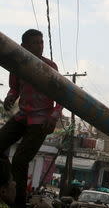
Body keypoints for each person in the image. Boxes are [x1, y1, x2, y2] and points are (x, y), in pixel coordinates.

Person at [0, 29, 61, 208]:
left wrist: (54, 116)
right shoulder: (17, 64)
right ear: (23, 46)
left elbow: (62, 96)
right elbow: (14, 89)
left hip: (41, 120)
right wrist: (10, 98)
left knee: (20, 160)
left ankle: (17, 203)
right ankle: (5, 184)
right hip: (23, 115)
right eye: (35, 43)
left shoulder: (50, 66)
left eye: (41, 42)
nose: (40, 46)